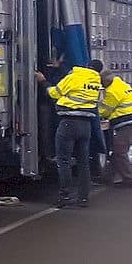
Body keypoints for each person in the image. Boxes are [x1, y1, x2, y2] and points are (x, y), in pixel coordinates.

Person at [40, 58, 104, 208]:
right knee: (83, 162)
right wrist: (61, 67)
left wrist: (43, 81)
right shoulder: (96, 83)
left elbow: (54, 93)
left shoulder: (74, 77)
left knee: (64, 161)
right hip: (86, 125)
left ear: (87, 66)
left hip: (68, 123)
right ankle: (83, 198)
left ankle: (65, 196)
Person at [99, 68, 132, 188]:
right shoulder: (121, 84)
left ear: (106, 81)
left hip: (126, 122)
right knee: (117, 150)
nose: (101, 85)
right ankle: (108, 177)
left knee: (120, 151)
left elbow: (104, 111)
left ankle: (128, 180)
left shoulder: (113, 91)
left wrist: (94, 111)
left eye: (101, 82)